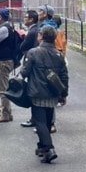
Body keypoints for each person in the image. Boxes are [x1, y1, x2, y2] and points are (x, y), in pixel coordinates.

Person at [20, 25, 68, 164]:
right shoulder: (59, 55)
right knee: (46, 122)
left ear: (41, 36)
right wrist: (64, 94)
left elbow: (25, 72)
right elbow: (64, 76)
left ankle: (49, 148)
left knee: (40, 122)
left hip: (37, 92)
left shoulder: (33, 52)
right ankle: (41, 147)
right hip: (53, 92)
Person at [0, 8, 18, 123]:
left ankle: (6, 114)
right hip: (6, 60)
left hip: (2, 61)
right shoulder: (8, 27)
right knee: (3, 87)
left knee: (2, 89)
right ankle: (5, 109)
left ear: (1, 17)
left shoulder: (3, 29)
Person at [18, 10, 42, 129]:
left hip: (31, 62)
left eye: (26, 17)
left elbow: (23, 46)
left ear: (32, 19)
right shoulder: (36, 29)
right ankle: (36, 119)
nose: (24, 19)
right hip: (35, 63)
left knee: (33, 91)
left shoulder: (32, 31)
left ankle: (35, 119)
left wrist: (23, 37)